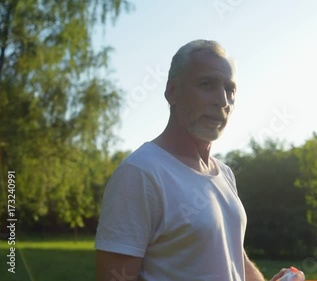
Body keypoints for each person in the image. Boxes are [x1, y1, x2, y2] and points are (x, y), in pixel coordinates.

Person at [94, 40, 288, 281]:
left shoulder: (224, 173)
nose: (223, 101)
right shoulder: (140, 173)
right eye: (207, 85)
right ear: (172, 92)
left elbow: (234, 259)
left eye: (230, 89)